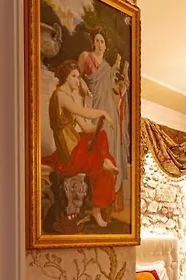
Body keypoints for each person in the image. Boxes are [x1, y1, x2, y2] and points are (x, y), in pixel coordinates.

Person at [41, 60, 118, 228]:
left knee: (101, 137)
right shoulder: (60, 95)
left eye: (78, 76)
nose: (78, 80)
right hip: (68, 153)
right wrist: (103, 113)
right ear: (66, 78)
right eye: (74, 76)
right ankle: (97, 207)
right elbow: (84, 112)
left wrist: (100, 128)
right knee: (101, 166)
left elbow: (86, 126)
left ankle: (104, 162)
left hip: (75, 144)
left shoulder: (68, 97)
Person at [77, 29, 130, 207]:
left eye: (102, 42)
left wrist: (122, 89)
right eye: (97, 41)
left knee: (109, 150)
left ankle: (107, 198)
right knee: (95, 149)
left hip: (109, 110)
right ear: (93, 42)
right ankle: (92, 198)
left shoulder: (107, 67)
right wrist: (83, 85)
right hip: (93, 107)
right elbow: (77, 76)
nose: (100, 45)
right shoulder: (86, 57)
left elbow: (112, 91)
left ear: (106, 46)